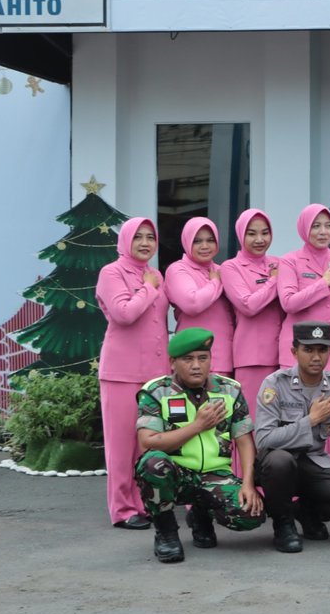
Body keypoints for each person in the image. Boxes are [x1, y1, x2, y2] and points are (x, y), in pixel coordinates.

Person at [133, 328, 265, 563]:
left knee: (250, 515)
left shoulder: (229, 389)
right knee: (152, 463)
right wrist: (197, 426)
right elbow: (147, 442)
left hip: (215, 476)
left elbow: (244, 440)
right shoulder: (157, 391)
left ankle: (200, 515)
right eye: (188, 359)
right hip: (176, 476)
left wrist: (248, 484)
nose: (196, 365)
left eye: (202, 358)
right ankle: (166, 533)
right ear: (172, 362)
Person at [251, 322, 330, 552]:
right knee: (280, 461)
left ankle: (306, 509)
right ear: (294, 351)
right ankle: (283, 524)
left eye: (322, 350)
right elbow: (264, 440)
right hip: (277, 464)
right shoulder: (275, 385)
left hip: (314, 463)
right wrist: (311, 420)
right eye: (308, 350)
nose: (316, 357)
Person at [95, 216, 168, 530]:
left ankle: (143, 502)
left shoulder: (155, 274)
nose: (145, 243)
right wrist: (148, 289)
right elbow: (124, 313)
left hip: (154, 372)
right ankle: (123, 509)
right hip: (121, 371)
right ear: (125, 240)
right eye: (138, 237)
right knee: (121, 445)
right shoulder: (111, 272)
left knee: (146, 442)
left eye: (150, 237)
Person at [276, 204, 330, 465]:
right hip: (300, 352)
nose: (323, 231)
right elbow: (288, 302)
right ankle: (296, 480)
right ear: (304, 229)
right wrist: (324, 283)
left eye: (328, 225)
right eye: (316, 226)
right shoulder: (290, 261)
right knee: (297, 418)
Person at [221, 209, 283, 407]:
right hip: (253, 357)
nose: (259, 239)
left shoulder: (279, 263)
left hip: (284, 354)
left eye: (265, 233)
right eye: (252, 234)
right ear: (241, 235)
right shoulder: (231, 267)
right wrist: (274, 281)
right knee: (254, 417)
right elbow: (248, 305)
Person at [166, 217, 235, 378]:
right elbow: (192, 303)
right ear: (187, 242)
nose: (205, 246)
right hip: (191, 358)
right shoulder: (178, 270)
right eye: (197, 241)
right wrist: (215, 282)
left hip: (225, 356)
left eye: (210, 240)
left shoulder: (222, 270)